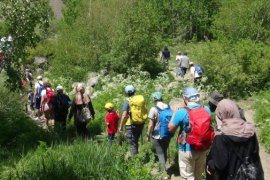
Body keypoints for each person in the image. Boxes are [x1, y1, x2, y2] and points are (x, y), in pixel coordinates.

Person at [206, 99, 264, 180]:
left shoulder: (220, 136)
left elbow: (220, 165)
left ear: (220, 114)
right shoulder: (250, 131)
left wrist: (210, 163)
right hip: (251, 175)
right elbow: (255, 155)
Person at [168, 87, 214, 180]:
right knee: (198, 175)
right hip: (203, 147)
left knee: (188, 176)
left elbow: (171, 129)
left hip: (187, 148)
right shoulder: (206, 109)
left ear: (185, 98)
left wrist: (175, 113)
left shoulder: (181, 111)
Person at [146, 92, 172, 174]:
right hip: (167, 133)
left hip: (158, 135)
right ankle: (165, 168)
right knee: (164, 150)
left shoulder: (153, 109)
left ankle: (163, 172)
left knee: (160, 153)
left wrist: (148, 135)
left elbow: (150, 125)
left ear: (154, 99)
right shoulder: (168, 106)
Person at [118, 85, 147, 155]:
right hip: (140, 123)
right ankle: (137, 155)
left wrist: (121, 126)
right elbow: (146, 109)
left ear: (126, 93)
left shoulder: (127, 101)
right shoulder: (140, 99)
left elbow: (124, 115)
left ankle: (134, 161)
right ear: (134, 91)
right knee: (136, 141)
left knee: (132, 143)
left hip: (130, 125)